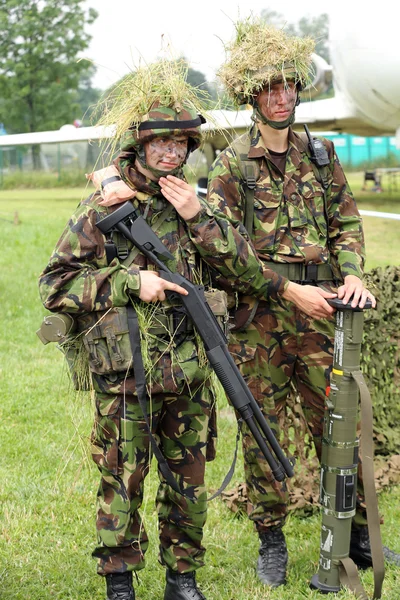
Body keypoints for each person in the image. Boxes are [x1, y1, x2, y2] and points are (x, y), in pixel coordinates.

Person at [38, 60, 272, 600]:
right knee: (122, 478)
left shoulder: (201, 204)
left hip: (190, 370)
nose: (170, 154)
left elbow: (245, 273)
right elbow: (56, 285)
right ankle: (119, 579)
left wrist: (200, 219)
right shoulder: (106, 208)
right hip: (126, 373)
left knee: (188, 482)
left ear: (191, 150)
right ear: (140, 146)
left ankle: (181, 578)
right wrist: (128, 281)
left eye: (181, 145)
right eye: (160, 143)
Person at [206, 17, 399, 587]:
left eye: (289, 84)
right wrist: (288, 288)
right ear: (252, 95)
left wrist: (353, 274)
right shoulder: (230, 165)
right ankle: (272, 541)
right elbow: (223, 249)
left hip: (323, 317)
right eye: (270, 87)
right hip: (261, 318)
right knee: (262, 430)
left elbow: (345, 222)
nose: (282, 95)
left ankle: (357, 534)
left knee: (341, 426)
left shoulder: (320, 154)